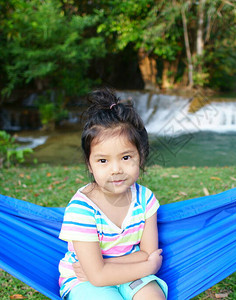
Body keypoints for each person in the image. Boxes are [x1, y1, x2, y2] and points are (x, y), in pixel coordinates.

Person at [58, 88, 168, 300]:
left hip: (130, 274)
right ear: (89, 165)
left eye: (126, 157)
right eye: (103, 161)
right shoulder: (81, 210)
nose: (116, 169)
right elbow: (97, 277)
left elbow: (147, 253)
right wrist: (149, 267)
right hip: (84, 280)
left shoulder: (145, 200)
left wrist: (139, 264)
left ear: (141, 157)